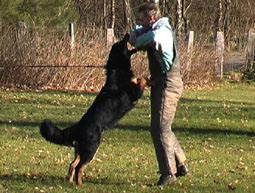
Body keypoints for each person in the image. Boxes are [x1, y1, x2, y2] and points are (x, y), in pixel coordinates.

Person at [129, 2, 189, 186]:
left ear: (152, 18)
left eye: (142, 19)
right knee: (164, 126)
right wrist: (137, 33)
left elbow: (144, 39)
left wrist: (136, 40)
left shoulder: (161, 31)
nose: (140, 22)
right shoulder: (156, 28)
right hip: (163, 83)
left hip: (168, 85)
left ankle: (168, 173)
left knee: (159, 128)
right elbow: (135, 34)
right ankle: (181, 164)